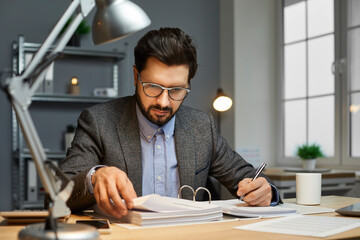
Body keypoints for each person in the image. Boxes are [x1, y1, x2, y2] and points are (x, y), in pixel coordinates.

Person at [59, 27, 280, 218]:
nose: (163, 102)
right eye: (153, 87)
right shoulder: (99, 121)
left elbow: (248, 177)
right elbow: (59, 192)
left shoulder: (201, 127)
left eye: (176, 90)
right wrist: (95, 177)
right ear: (136, 77)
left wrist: (266, 191)